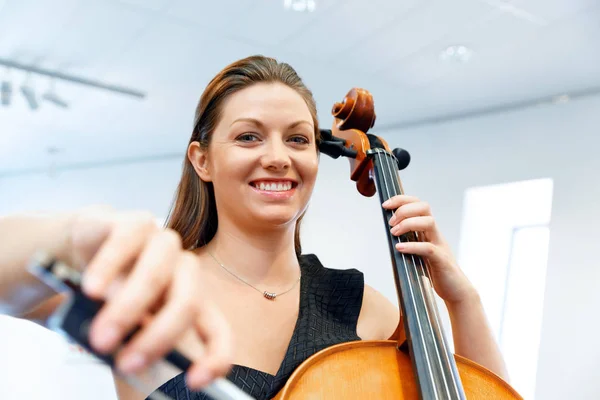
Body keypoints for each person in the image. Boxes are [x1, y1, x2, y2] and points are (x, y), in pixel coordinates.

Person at [0, 55, 508, 400]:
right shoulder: (150, 288)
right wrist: (70, 235)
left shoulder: (360, 307)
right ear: (202, 160)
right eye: (248, 137)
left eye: (297, 139)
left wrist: (462, 299)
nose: (277, 158)